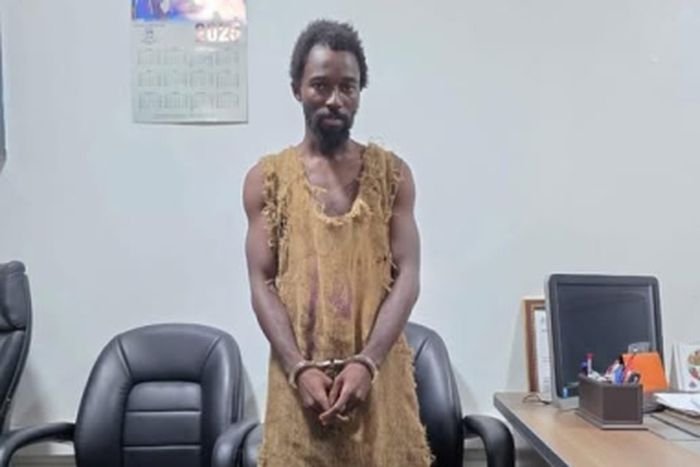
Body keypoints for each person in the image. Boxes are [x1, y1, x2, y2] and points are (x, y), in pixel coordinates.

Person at [243, 19, 431, 466]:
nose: (334, 99)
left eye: (347, 87)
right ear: (297, 88)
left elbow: (408, 275)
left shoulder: (392, 176)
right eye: (320, 85)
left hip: (380, 385)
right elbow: (261, 282)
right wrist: (298, 368)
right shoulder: (267, 180)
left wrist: (367, 362)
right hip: (299, 390)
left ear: (360, 92)